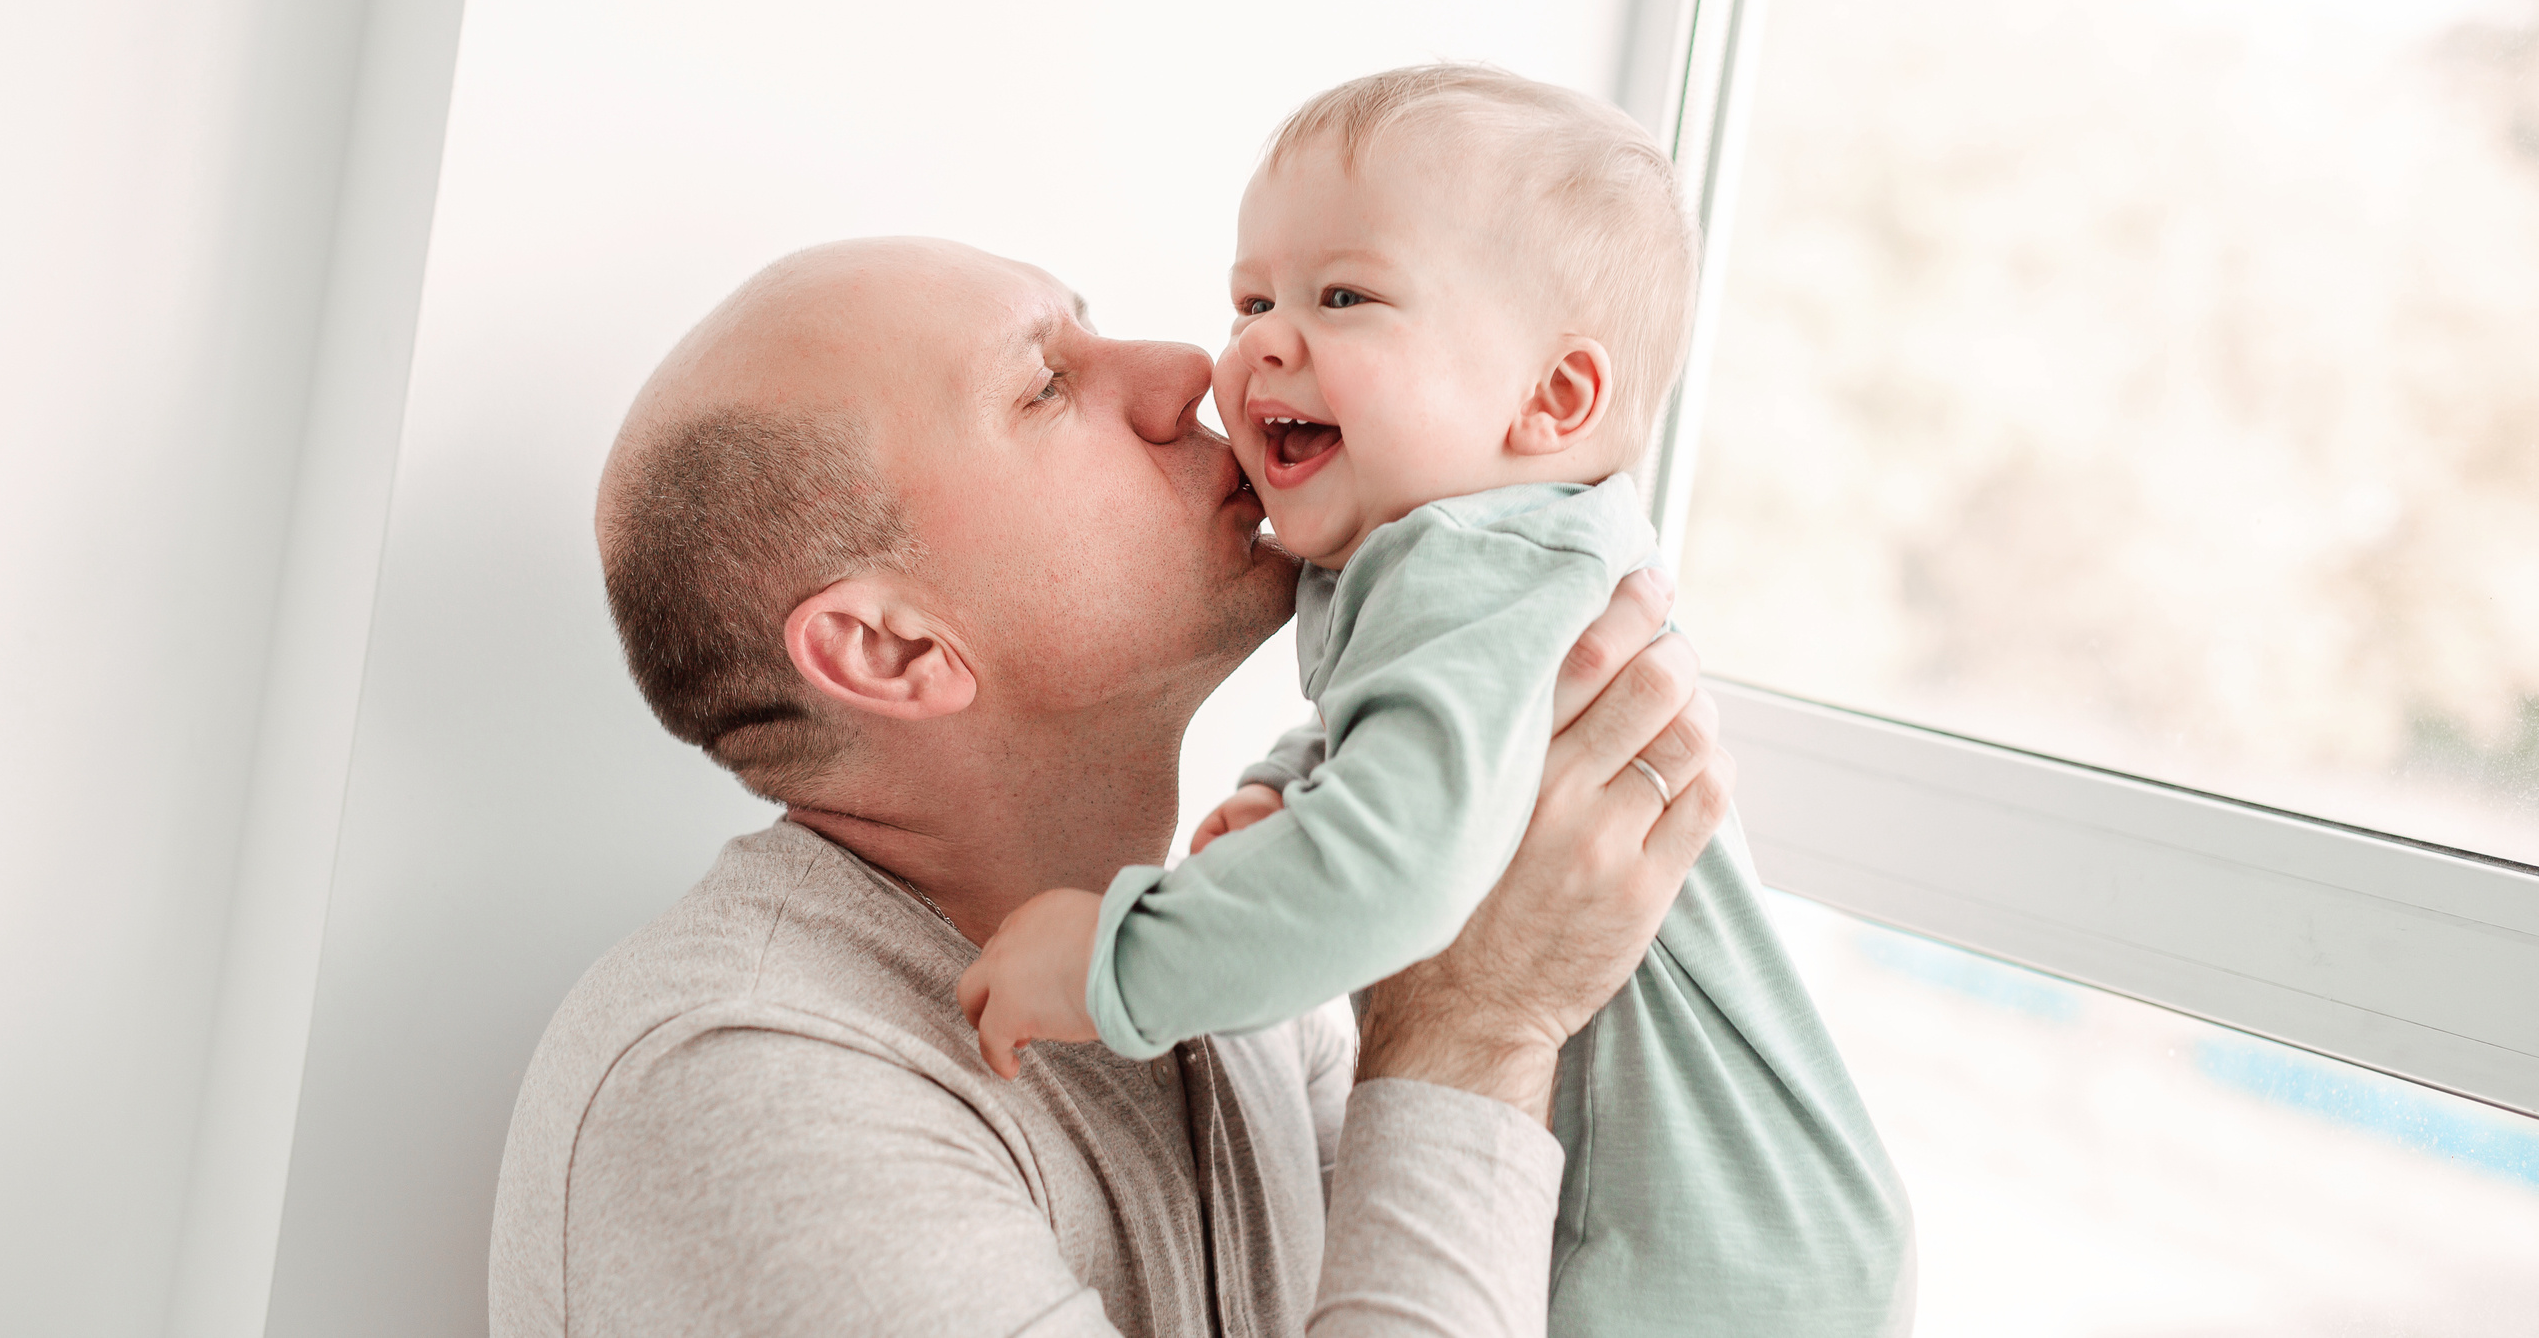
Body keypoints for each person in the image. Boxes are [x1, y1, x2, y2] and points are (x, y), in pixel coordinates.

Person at [490, 236, 1746, 1337]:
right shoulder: (744, 1092)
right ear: (892, 648)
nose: (1187, 370)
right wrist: (1475, 1030)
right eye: (1045, 386)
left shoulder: (1235, 977)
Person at [961, 67, 1913, 1336]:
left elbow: (1400, 873)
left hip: (1704, 1254)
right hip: (1764, 1228)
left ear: (1552, 399)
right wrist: (1297, 778)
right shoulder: (1496, 566)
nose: (1254, 345)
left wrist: (1118, 961)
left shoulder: (1465, 566)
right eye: (1252, 298)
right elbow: (1449, 742)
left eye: (1342, 297)